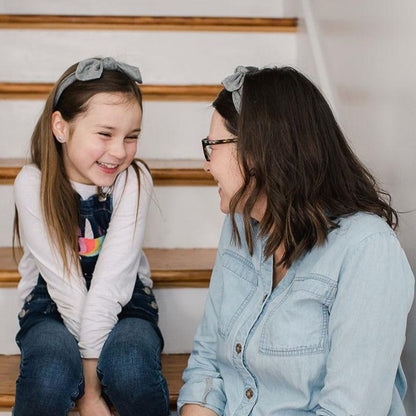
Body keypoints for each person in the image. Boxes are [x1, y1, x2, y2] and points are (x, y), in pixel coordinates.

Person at [177, 66, 415, 416]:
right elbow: (207, 365)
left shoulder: (367, 251)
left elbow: (348, 410)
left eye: (213, 146)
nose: (207, 165)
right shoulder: (241, 226)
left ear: (259, 151)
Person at [13, 57, 169, 416]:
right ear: (61, 127)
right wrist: (88, 390)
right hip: (51, 306)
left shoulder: (134, 180)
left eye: (132, 137)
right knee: (49, 373)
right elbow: (65, 286)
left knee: (131, 365)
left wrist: (90, 383)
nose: (119, 151)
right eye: (105, 134)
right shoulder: (33, 184)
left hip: (126, 304)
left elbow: (114, 281)